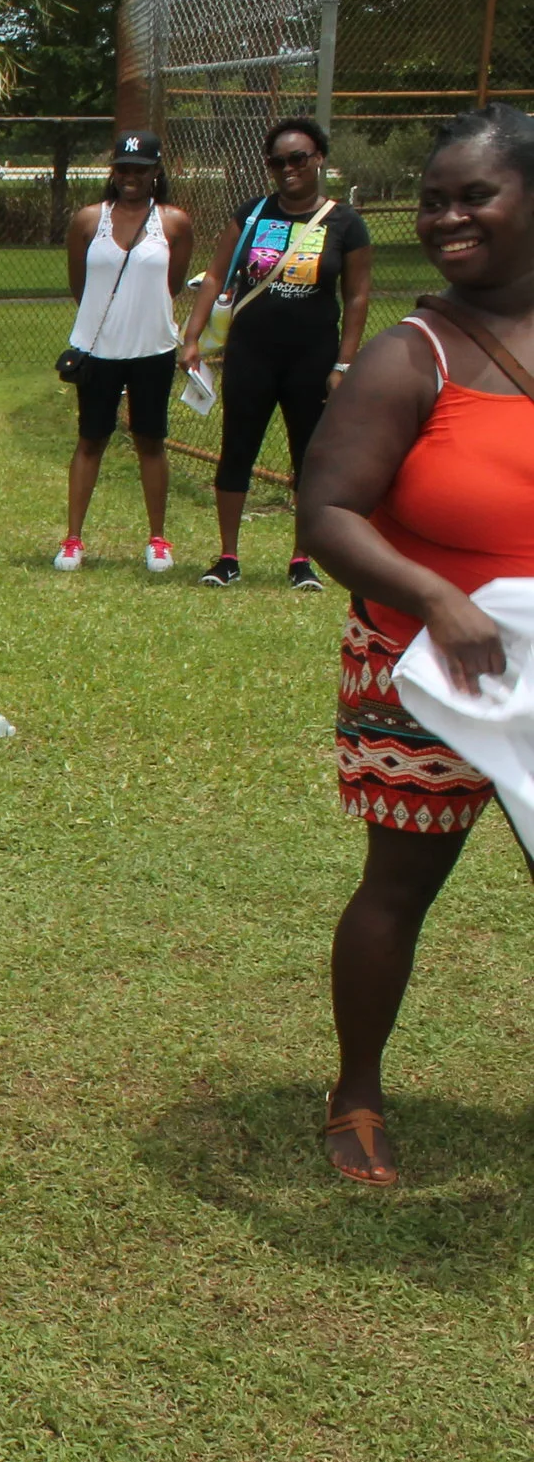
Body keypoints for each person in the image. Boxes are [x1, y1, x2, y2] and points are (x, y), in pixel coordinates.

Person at [300, 104, 534, 1188]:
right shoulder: (413, 353)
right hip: (424, 666)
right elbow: (328, 513)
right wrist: (440, 599)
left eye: (472, 195)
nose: (446, 216)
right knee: (398, 884)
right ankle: (356, 1094)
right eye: (434, 198)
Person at [180, 115, 375, 590]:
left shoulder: (345, 223)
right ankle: (227, 557)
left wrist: (343, 364)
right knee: (237, 449)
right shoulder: (251, 215)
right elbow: (214, 276)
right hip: (252, 353)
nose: (288, 168)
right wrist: (192, 338)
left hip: (312, 357)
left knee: (308, 458)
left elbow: (356, 296)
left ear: (319, 159)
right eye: (277, 161)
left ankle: (301, 559)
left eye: (298, 158)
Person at [54, 132, 197, 573]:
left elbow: (171, 284)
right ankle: (74, 539)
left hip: (151, 348)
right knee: (90, 440)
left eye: (140, 169)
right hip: (97, 350)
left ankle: (157, 539)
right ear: (112, 172)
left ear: (156, 172)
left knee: (150, 441)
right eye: (123, 168)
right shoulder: (87, 220)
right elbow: (81, 286)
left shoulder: (173, 222)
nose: (131, 177)